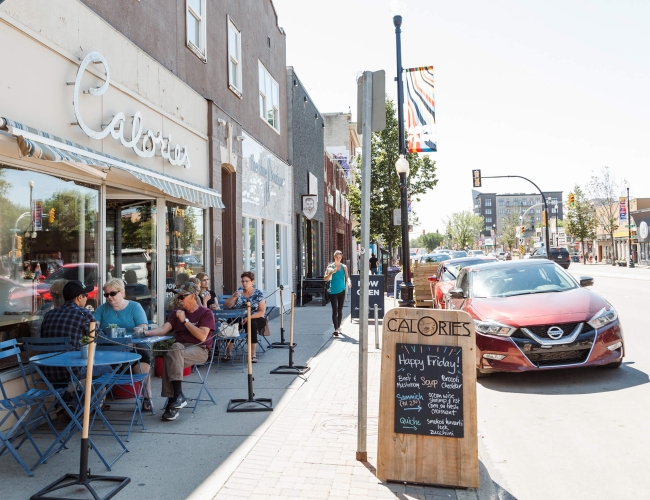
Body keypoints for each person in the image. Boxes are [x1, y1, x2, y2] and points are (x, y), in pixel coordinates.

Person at [146, 282, 215, 421]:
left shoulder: (205, 313)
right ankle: (177, 396)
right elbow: (164, 330)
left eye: (183, 296)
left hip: (200, 349)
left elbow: (202, 336)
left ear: (193, 296)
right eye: (178, 296)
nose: (179, 299)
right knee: (175, 350)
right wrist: (144, 332)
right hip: (180, 349)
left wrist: (185, 321)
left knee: (172, 354)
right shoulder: (175, 313)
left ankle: (173, 400)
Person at [94, 278, 152, 411]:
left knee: (142, 358)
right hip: (108, 347)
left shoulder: (134, 307)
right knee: (97, 362)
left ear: (122, 292)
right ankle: (99, 401)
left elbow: (143, 327)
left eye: (112, 293)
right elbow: (93, 327)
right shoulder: (102, 309)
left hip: (133, 345)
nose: (109, 297)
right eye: (106, 295)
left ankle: (147, 397)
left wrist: (133, 336)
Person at [40, 280, 95, 386]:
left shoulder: (48, 314)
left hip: (46, 370)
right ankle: (92, 402)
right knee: (107, 369)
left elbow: (43, 337)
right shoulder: (84, 314)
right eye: (86, 295)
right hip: (72, 371)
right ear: (79, 297)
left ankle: (68, 396)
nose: (87, 298)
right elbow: (98, 337)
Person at [223, 271, 266, 363]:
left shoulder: (258, 293)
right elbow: (227, 305)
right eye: (243, 281)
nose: (244, 283)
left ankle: (252, 354)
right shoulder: (239, 291)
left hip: (256, 317)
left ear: (252, 282)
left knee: (252, 324)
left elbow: (261, 311)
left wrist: (249, 317)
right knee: (230, 322)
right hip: (239, 317)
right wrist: (234, 297)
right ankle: (229, 353)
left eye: (247, 281)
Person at [324, 250, 351, 337]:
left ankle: (338, 327)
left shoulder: (344, 267)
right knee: (334, 310)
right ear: (334, 257)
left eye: (340, 257)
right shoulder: (330, 266)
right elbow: (325, 278)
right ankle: (336, 329)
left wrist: (349, 282)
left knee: (340, 310)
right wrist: (332, 272)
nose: (338, 259)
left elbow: (347, 277)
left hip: (341, 291)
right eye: (337, 257)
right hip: (333, 291)